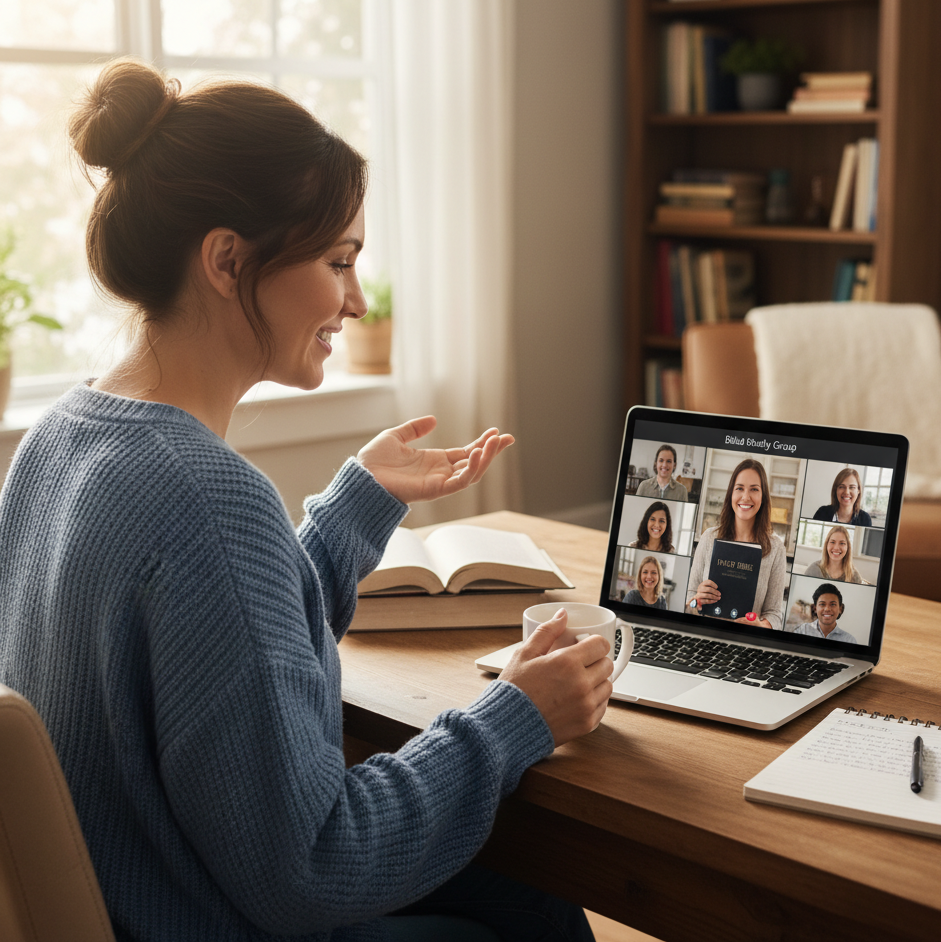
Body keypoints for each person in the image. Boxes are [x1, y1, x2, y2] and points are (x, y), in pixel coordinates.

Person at [0, 59, 610, 942]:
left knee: (519, 894)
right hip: (213, 916)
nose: (357, 300)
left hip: (139, 894)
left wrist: (357, 504)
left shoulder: (58, 440)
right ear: (225, 259)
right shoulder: (207, 499)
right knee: (541, 923)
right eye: (338, 261)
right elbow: (319, 864)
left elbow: (214, 662)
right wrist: (514, 719)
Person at [686, 459, 786, 629]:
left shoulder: (775, 548)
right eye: (739, 488)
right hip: (706, 633)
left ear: (763, 496)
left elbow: (774, 614)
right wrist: (696, 601)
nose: (745, 497)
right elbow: (688, 602)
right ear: (731, 494)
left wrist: (761, 626)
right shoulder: (709, 537)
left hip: (746, 642)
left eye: (754, 489)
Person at [793, 584, 858, 644]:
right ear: (815, 608)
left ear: (840, 609)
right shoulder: (803, 630)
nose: (827, 609)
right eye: (822, 604)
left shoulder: (849, 640)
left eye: (833, 604)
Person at [803, 526, 867, 584]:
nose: (836, 548)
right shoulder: (813, 570)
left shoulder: (855, 577)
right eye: (832, 542)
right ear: (826, 545)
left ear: (848, 547)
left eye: (842, 543)